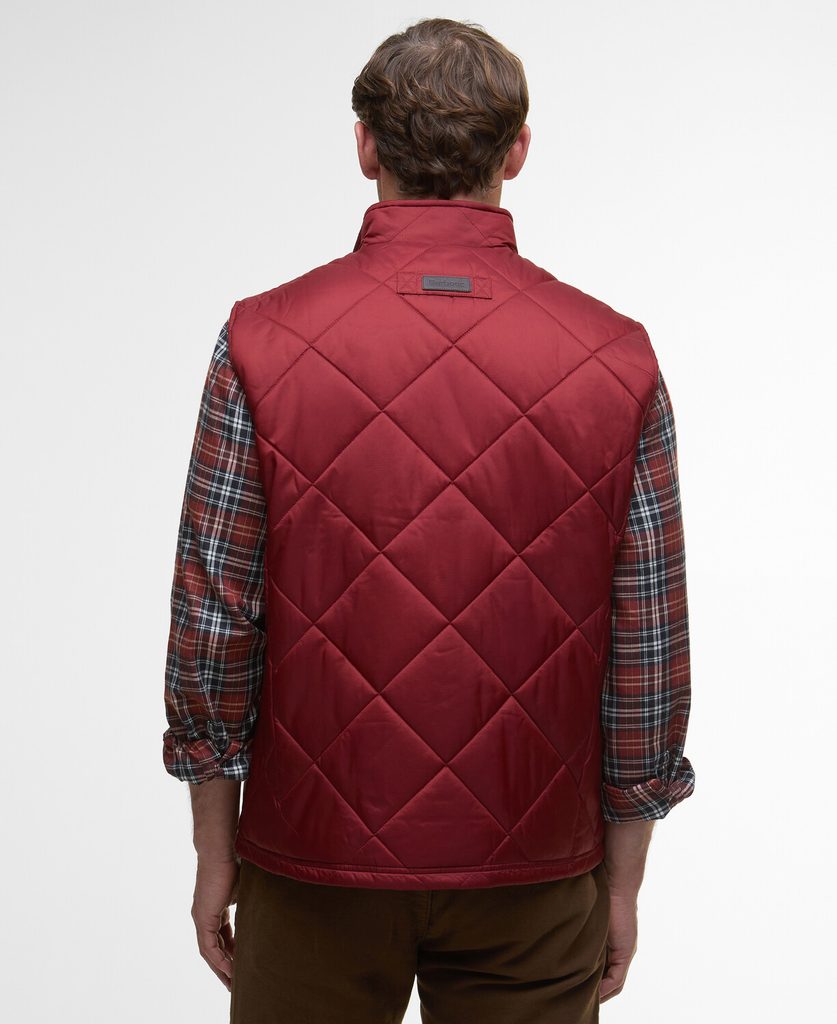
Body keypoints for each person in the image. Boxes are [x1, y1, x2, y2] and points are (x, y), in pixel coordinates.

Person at [162, 17, 695, 1023]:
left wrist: (213, 848)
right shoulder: (616, 357)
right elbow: (647, 643)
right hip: (536, 869)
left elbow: (214, 614)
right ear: (518, 150)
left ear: (365, 146)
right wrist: (623, 878)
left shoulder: (261, 340)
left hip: (308, 860)